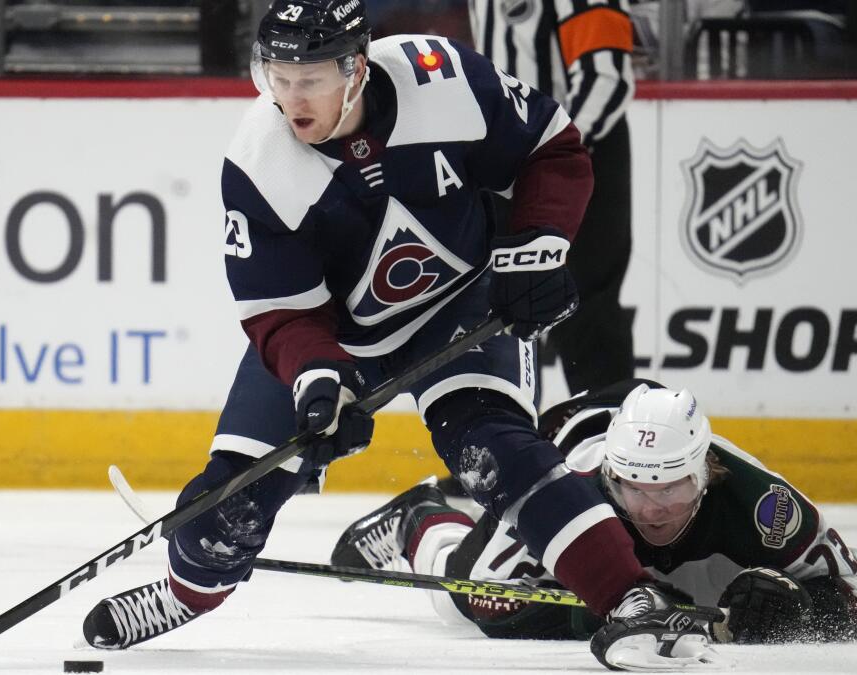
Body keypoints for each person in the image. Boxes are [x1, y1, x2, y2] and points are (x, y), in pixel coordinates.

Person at [82, 2, 697, 667]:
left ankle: (633, 598)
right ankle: (188, 589)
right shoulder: (258, 162)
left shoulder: (444, 81)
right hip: (336, 335)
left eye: (310, 78)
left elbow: (553, 147)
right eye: (277, 77)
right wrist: (321, 379)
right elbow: (280, 313)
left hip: (458, 306)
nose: (291, 99)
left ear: (358, 68)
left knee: (498, 451)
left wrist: (536, 250)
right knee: (227, 505)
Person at [333, 380, 857, 668]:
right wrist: (612, 609)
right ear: (610, 477)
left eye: (672, 488)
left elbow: (852, 594)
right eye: (633, 489)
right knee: (457, 596)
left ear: (706, 471)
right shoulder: (576, 491)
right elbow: (489, 598)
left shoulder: (763, 503)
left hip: (627, 414)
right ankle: (419, 516)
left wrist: (807, 609)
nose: (652, 509)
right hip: (567, 431)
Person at [468, 0, 637, 394]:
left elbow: (606, 78)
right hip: (505, 158)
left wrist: (551, 155)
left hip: (577, 158)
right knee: (504, 314)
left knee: (587, 311)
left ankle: (608, 439)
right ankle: (516, 443)